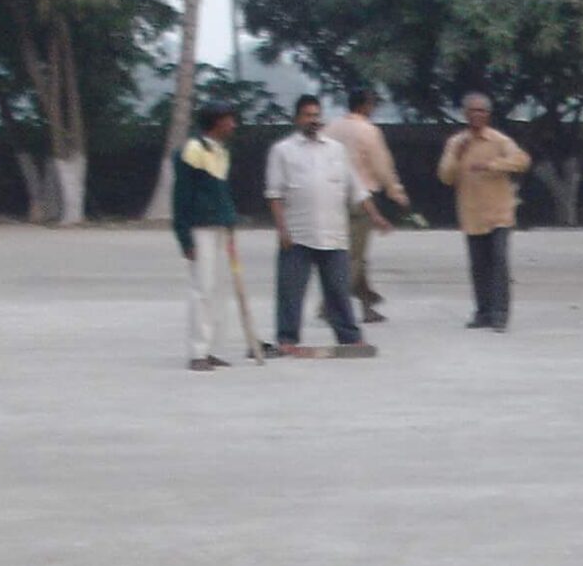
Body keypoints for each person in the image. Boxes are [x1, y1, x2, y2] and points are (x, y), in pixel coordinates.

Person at [267, 93, 391, 356]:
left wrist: (376, 216)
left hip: (333, 234)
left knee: (338, 290)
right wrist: (282, 230)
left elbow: (356, 188)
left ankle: (349, 336)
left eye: (316, 115)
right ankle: (287, 338)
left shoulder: (335, 150)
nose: (313, 120)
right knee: (291, 291)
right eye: (308, 115)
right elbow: (275, 194)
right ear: (297, 118)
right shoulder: (283, 151)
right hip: (297, 234)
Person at [437, 92, 531, 331]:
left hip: (499, 213)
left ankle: (500, 315)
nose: (477, 115)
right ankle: (483, 311)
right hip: (471, 213)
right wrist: (457, 156)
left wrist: (492, 165)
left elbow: (522, 161)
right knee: (478, 265)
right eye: (472, 110)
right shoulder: (456, 143)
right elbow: (445, 177)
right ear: (465, 114)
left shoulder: (499, 141)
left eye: (482, 111)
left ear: (488, 115)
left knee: (499, 262)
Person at [171, 103, 245, 372]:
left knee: (219, 290)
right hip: (199, 228)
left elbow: (221, 193)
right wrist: (184, 238)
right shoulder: (192, 151)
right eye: (229, 120)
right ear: (216, 122)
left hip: (221, 229)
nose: (233, 125)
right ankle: (198, 351)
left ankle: (214, 349)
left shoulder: (221, 151)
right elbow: (181, 197)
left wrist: (230, 221)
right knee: (202, 289)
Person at [327, 87, 409, 324]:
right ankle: (331, 304)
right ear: (365, 105)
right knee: (355, 257)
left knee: (349, 252)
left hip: (333, 196)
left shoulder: (331, 128)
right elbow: (382, 165)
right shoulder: (368, 131)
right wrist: (396, 191)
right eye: (372, 104)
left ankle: (366, 306)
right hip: (361, 197)